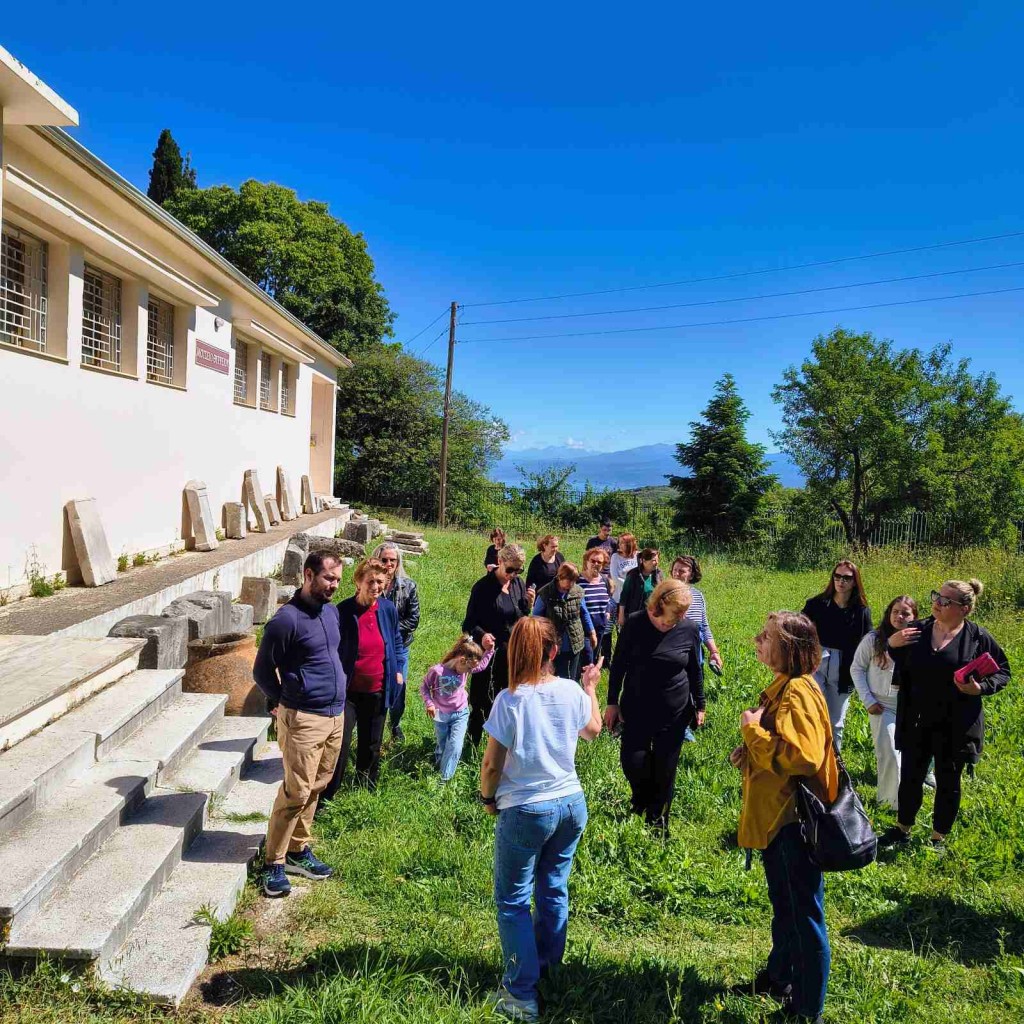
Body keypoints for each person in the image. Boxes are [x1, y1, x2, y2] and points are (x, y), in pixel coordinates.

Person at [480, 617, 603, 1022]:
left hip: (526, 807)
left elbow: (492, 763)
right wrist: (590, 688)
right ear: (554, 652)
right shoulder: (569, 690)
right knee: (552, 888)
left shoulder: (510, 699)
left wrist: (487, 797)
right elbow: (593, 730)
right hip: (571, 802)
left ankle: (520, 993)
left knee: (513, 901)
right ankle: (548, 968)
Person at [730, 611, 837, 1024]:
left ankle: (807, 1010)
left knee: (803, 915)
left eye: (767, 636)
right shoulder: (785, 687)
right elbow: (785, 746)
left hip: (792, 821)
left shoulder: (797, 691)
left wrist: (753, 733)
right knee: (786, 906)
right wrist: (751, 750)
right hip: (778, 818)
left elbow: (805, 757)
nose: (758, 639)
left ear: (789, 647)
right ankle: (779, 977)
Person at [879, 579, 1011, 852]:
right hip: (916, 719)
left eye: (945, 601)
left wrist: (980, 688)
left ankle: (939, 838)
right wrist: (891, 643)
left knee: (948, 781)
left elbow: (1003, 671)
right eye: (937, 596)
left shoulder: (977, 637)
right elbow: (899, 658)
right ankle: (902, 829)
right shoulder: (918, 629)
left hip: (956, 724)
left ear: (964, 609)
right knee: (911, 777)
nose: (936, 603)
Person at [252, 551, 346, 897]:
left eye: (337, 580)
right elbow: (261, 671)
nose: (334, 586)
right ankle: (273, 863)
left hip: (334, 714)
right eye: (327, 579)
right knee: (297, 791)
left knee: (318, 784)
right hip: (303, 717)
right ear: (308, 575)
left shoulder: (331, 612)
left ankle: (297, 849)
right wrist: (283, 700)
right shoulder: (285, 620)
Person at [605, 579, 704, 832]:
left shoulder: (689, 629)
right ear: (660, 604)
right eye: (677, 612)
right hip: (636, 707)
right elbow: (618, 665)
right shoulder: (636, 623)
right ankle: (641, 799)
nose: (681, 617)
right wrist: (612, 702)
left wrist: (700, 704)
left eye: (684, 612)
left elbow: (695, 669)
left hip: (674, 710)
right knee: (632, 761)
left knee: (666, 768)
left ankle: (657, 823)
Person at [324, 558, 403, 796]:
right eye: (371, 581)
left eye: (380, 581)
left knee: (372, 744)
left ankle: (365, 789)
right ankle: (329, 793)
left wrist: (397, 668)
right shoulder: (343, 611)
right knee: (340, 744)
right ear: (358, 582)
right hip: (347, 691)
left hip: (379, 687)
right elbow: (331, 648)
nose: (376, 586)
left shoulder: (387, 609)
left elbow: (396, 640)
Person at [462, 543, 534, 746]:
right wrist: (482, 636)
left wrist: (527, 605)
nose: (513, 574)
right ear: (499, 562)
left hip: (513, 653)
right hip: (488, 655)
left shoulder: (518, 584)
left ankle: (502, 745)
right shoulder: (483, 588)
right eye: (510, 569)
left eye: (519, 570)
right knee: (482, 701)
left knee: (510, 700)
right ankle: (472, 744)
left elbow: (519, 617)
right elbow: (468, 624)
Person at [850, 596, 918, 809]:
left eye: (906, 613)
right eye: (895, 611)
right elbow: (857, 668)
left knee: (913, 752)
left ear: (915, 617)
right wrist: (868, 700)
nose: (899, 616)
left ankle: (917, 782)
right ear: (889, 613)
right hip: (882, 704)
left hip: (911, 705)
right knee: (889, 750)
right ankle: (891, 803)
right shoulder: (873, 639)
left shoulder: (921, 641)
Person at [800, 560, 872, 750]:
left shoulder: (861, 612)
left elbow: (867, 644)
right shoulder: (816, 604)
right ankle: (809, 757)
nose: (841, 581)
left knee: (835, 720)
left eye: (847, 578)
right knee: (812, 711)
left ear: (855, 581)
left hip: (844, 666)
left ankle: (834, 764)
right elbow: (799, 629)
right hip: (817, 660)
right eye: (837, 576)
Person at [421, 633, 496, 780]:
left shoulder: (466, 668)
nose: (470, 672)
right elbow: (424, 687)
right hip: (440, 714)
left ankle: (444, 779)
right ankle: (439, 761)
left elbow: (480, 667)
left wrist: (489, 651)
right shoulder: (437, 671)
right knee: (443, 745)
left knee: (455, 746)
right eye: (468, 669)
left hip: (461, 713)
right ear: (461, 660)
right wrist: (429, 703)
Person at [372, 541, 420, 743]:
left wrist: (388, 628)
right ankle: (375, 725)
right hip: (375, 646)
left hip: (400, 646)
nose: (389, 564)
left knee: (399, 686)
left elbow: (413, 619)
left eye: (393, 560)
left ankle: (396, 724)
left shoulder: (408, 586)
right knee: (376, 687)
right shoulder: (370, 584)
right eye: (385, 560)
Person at [533, 562, 598, 681]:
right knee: (555, 677)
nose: (572, 584)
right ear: (560, 577)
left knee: (573, 677)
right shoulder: (546, 593)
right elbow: (536, 618)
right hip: (554, 644)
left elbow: (584, 613)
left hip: (574, 642)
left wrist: (592, 632)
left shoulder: (577, 591)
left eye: (574, 581)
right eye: (569, 580)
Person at [669, 556, 723, 673]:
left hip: (695, 655)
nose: (676, 574)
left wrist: (714, 652)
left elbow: (704, 627)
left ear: (691, 575)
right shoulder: (665, 595)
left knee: (696, 690)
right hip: (671, 656)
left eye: (681, 571)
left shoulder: (698, 596)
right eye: (675, 570)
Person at [579, 547, 614, 669]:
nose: (595, 564)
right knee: (586, 661)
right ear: (586, 561)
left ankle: (588, 684)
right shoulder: (578, 580)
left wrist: (608, 611)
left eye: (599, 562)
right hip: (584, 629)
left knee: (593, 658)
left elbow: (609, 599)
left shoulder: (604, 580)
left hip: (600, 626)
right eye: (593, 561)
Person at [617, 547, 662, 625]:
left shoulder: (658, 574)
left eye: (657, 560)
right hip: (634, 615)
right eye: (654, 560)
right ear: (644, 561)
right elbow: (624, 596)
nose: (657, 563)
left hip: (652, 617)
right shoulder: (633, 575)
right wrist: (621, 616)